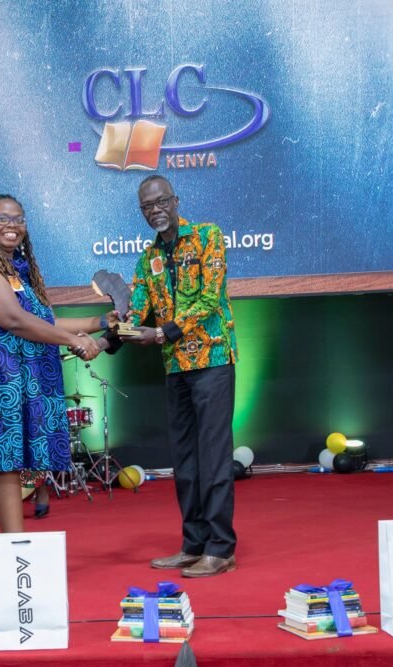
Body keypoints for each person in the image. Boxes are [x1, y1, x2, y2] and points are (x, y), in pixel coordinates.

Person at [0, 193, 116, 596]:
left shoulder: (17, 271)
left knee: (9, 468)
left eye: (18, 218)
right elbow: (12, 319)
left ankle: (16, 562)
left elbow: (43, 321)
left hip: (9, 382)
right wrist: (74, 341)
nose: (11, 225)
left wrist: (102, 321)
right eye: (1, 218)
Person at [120, 175, 239, 578]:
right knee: (185, 461)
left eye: (161, 202)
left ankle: (221, 549)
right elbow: (137, 311)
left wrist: (161, 333)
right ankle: (194, 544)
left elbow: (209, 298)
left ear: (175, 201)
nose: (155, 210)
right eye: (147, 206)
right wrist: (114, 329)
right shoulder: (146, 259)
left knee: (213, 457)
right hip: (175, 367)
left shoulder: (207, 236)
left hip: (213, 360)